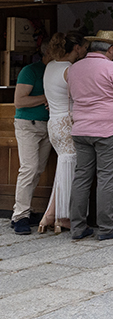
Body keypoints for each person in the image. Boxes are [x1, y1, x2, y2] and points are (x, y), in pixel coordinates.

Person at [66, 30, 113, 241]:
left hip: (81, 129)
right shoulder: (112, 68)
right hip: (107, 130)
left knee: (81, 178)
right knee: (106, 179)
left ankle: (77, 227)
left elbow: (72, 95)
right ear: (111, 49)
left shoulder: (73, 69)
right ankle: (106, 227)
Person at [38, 32, 89, 234]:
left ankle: (51, 214)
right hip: (68, 122)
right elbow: (79, 97)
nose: (85, 51)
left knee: (64, 165)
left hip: (54, 122)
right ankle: (64, 216)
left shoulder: (50, 66)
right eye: (84, 48)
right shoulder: (70, 70)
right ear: (76, 48)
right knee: (70, 167)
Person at [10, 41, 53, 235]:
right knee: (29, 169)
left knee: (37, 170)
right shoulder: (30, 70)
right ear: (48, 52)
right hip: (28, 125)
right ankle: (20, 216)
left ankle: (23, 210)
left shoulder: (54, 70)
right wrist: (46, 97)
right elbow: (19, 101)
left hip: (47, 126)